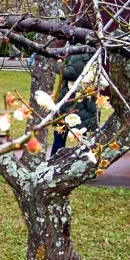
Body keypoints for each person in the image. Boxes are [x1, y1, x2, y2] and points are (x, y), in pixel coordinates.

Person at [49, 17, 99, 158]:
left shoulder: (79, 50)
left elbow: (72, 72)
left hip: (73, 100)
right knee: (79, 134)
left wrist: (59, 65)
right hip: (80, 99)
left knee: (65, 133)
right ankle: (85, 162)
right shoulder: (90, 49)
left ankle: (55, 160)